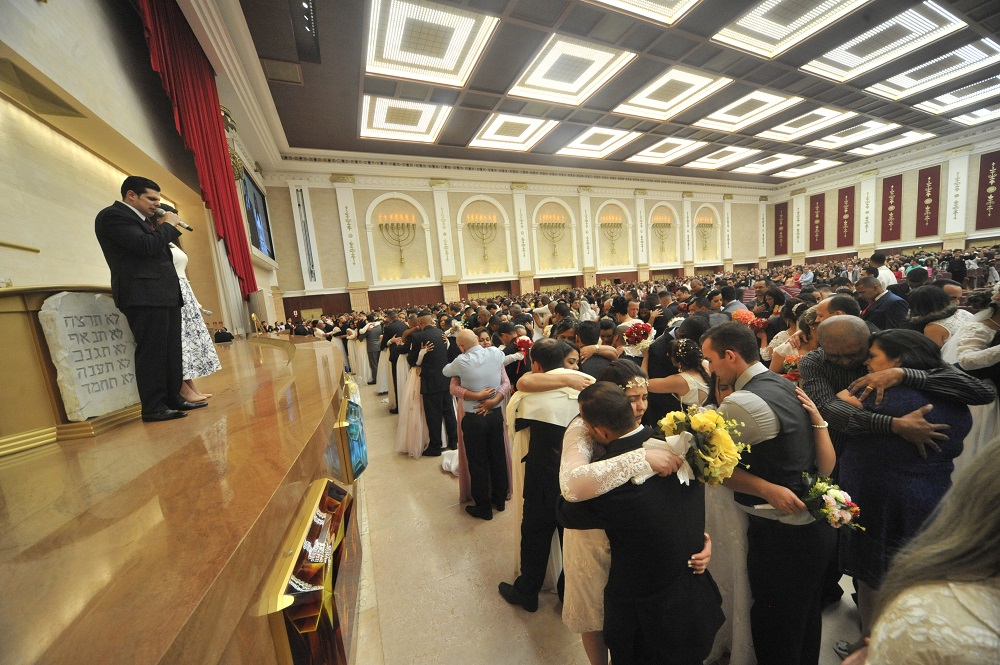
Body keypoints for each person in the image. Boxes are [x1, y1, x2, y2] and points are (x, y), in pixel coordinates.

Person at [558, 382, 724, 665]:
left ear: (598, 431)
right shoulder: (680, 447)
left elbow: (566, 508)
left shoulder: (605, 485)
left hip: (647, 622)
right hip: (695, 601)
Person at [830, 329, 973, 659]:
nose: (867, 362)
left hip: (879, 499)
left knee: (871, 576)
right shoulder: (952, 394)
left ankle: (870, 643)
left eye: (874, 356)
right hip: (931, 493)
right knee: (914, 571)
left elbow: (838, 403)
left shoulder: (878, 396)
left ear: (899, 361)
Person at [703, 322, 834, 665]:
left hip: (782, 531)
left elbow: (714, 469)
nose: (709, 369)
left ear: (730, 356)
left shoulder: (742, 403)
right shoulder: (782, 382)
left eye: (711, 360)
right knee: (804, 618)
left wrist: (762, 487)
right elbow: (826, 466)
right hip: (812, 521)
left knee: (775, 625)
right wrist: (820, 421)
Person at [843, 436, 1000, 665]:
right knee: (871, 571)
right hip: (882, 484)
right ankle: (868, 629)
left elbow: (982, 396)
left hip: (924, 487)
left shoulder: (927, 616)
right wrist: (890, 424)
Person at [94, 176, 206, 422]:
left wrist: (161, 224)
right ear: (131, 195)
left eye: (159, 199)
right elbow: (144, 247)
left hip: (163, 294)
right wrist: (167, 225)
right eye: (152, 198)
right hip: (142, 295)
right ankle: (153, 406)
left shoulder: (145, 220)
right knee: (152, 351)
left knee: (170, 350)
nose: (157, 203)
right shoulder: (113, 216)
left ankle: (172, 397)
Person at [499, 339, 589, 613]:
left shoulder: (527, 394)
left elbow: (515, 426)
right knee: (572, 537)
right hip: (580, 474)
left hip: (542, 474)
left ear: (535, 363)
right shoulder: (587, 383)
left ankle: (528, 591)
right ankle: (567, 591)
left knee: (535, 533)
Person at [443, 329, 510, 520]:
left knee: (478, 462)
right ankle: (499, 500)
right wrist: (493, 399)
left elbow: (446, 372)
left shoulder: (461, 361)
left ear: (461, 346)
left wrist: (477, 395)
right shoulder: (497, 353)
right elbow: (505, 380)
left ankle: (483, 507)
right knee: (498, 458)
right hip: (495, 414)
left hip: (474, 417)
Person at [408, 311, 458, 457]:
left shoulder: (417, 337)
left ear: (421, 323)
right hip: (445, 378)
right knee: (448, 411)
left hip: (430, 380)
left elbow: (413, 362)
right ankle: (453, 441)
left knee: (433, 415)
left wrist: (422, 353)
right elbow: (446, 352)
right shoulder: (441, 334)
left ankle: (435, 446)